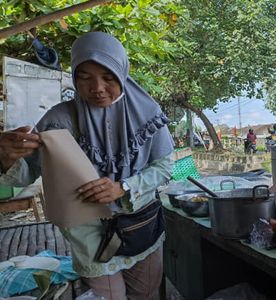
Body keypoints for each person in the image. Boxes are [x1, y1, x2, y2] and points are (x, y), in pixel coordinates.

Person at [0, 32, 174, 299]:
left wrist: (123, 187)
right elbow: (25, 176)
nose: (97, 88)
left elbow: (164, 168)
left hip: (139, 225)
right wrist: (8, 156)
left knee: (147, 293)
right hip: (89, 234)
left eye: (108, 77)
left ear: (122, 72)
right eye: (84, 77)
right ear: (74, 78)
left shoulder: (147, 114)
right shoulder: (58, 119)